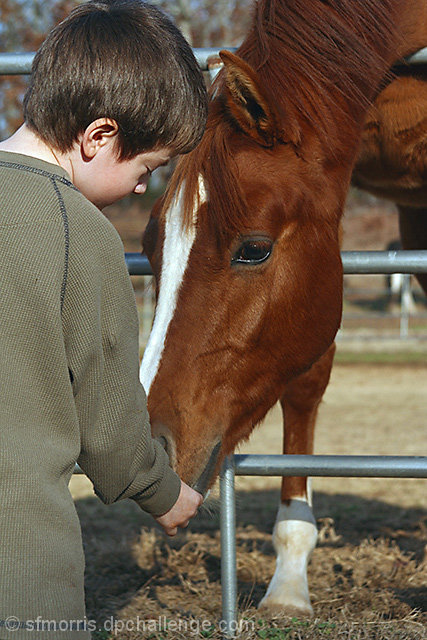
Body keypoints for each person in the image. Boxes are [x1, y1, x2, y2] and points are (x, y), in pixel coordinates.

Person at [0, 1, 207, 637]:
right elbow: (108, 416)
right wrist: (163, 491)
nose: (144, 188)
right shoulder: (77, 232)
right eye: (147, 167)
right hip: (21, 565)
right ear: (98, 136)